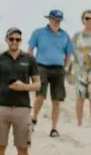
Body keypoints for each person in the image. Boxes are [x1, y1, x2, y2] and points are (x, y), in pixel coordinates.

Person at [0, 27, 41, 155]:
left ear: (21, 41)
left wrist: (24, 86)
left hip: (22, 107)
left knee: (23, 148)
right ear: (6, 39)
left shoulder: (29, 60)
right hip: (2, 107)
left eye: (18, 39)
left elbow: (38, 84)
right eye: (11, 39)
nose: (14, 42)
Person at [28, 9, 74, 138]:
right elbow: (30, 50)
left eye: (59, 20)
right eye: (54, 19)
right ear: (49, 19)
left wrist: (66, 68)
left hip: (58, 69)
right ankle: (33, 119)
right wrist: (31, 66)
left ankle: (54, 128)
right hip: (41, 67)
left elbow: (69, 54)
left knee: (56, 100)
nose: (56, 22)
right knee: (40, 96)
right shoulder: (39, 33)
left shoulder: (65, 35)